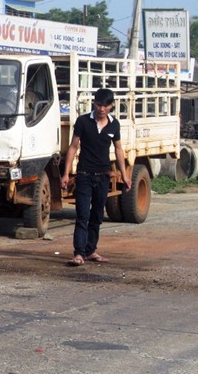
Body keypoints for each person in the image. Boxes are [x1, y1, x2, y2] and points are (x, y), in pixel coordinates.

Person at [60, 88, 132, 267]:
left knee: (97, 215)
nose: (102, 109)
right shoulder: (83, 121)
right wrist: (66, 173)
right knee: (82, 214)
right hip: (84, 175)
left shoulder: (114, 125)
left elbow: (118, 149)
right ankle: (78, 253)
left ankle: (90, 250)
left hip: (103, 176)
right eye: (99, 105)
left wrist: (125, 175)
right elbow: (73, 147)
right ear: (94, 104)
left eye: (106, 106)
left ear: (112, 106)